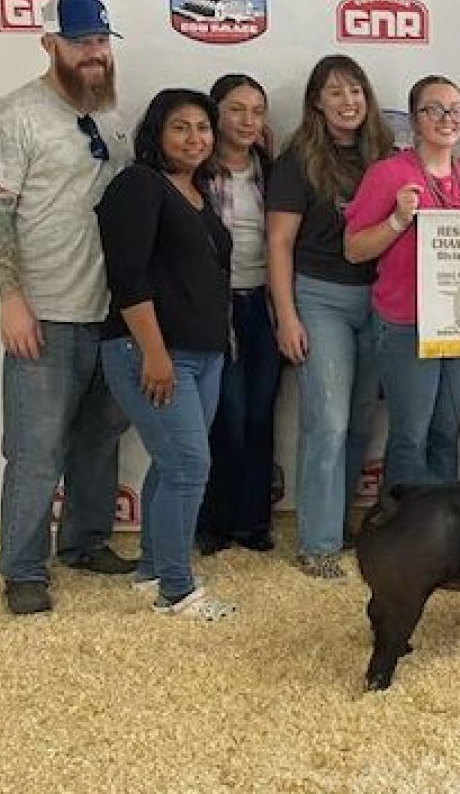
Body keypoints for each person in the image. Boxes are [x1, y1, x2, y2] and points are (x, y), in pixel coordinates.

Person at [0, 0, 135, 616]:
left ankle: (86, 541)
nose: (94, 54)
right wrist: (10, 298)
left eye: (100, 42)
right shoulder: (15, 114)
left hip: (111, 310)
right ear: (49, 45)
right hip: (45, 309)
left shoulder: (113, 114)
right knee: (36, 448)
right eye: (80, 44)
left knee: (100, 436)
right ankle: (21, 569)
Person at [96, 89, 236, 620]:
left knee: (172, 462)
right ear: (156, 133)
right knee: (188, 467)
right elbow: (128, 273)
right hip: (150, 351)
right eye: (181, 127)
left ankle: (153, 568)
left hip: (204, 354)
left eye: (203, 127)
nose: (194, 138)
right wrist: (154, 354)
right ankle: (176, 591)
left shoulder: (198, 192)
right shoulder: (138, 186)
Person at [268, 56, 393, 578]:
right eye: (336, 93)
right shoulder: (298, 160)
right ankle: (317, 545)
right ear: (317, 101)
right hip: (319, 299)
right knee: (328, 422)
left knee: (360, 423)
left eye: (356, 92)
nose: (348, 102)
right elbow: (279, 241)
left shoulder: (384, 157)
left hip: (379, 300)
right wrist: (287, 316)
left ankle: (339, 526)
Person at [345, 75, 460, 487]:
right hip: (406, 323)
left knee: (446, 433)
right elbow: (354, 249)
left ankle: (440, 532)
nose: (447, 118)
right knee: (411, 436)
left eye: (456, 109)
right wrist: (396, 220)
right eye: (435, 109)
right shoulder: (389, 174)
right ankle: (402, 536)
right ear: (414, 119)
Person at [195, 73, 279, 556]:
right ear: (216, 113)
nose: (248, 120)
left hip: (263, 305)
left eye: (257, 111)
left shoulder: (272, 170)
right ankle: (215, 521)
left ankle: (253, 522)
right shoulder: (197, 173)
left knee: (260, 415)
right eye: (236, 109)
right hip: (214, 309)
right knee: (224, 415)